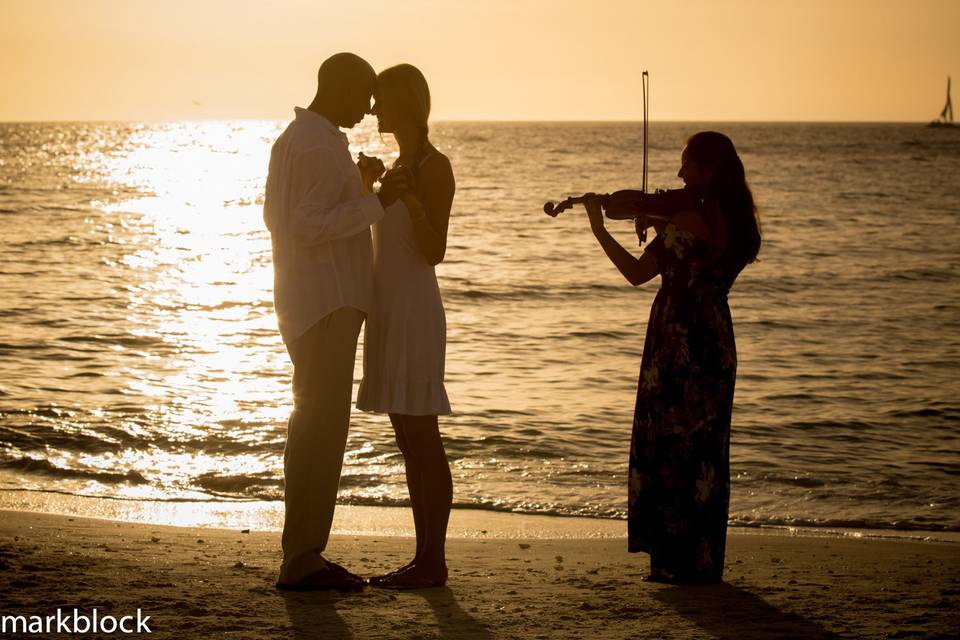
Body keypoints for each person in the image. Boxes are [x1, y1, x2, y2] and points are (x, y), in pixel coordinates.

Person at [582, 131, 761, 583]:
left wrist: (600, 228)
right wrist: (660, 219)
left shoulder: (683, 220)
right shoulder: (738, 225)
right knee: (704, 454)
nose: (679, 174)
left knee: (666, 445)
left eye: (687, 166)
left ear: (710, 170)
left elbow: (637, 273)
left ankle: (668, 561)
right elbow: (703, 252)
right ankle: (701, 561)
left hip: (675, 342)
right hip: (716, 341)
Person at [263, 52, 408, 591]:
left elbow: (280, 215)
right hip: (325, 302)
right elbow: (305, 224)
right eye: (364, 94)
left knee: (315, 427)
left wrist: (358, 183)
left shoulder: (296, 139)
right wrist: (376, 198)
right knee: (322, 430)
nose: (370, 107)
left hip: (308, 301)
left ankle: (302, 553)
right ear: (340, 87)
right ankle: (302, 559)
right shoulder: (318, 143)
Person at [356, 64, 455, 589]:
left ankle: (432, 561)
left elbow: (433, 251)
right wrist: (369, 185)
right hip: (387, 308)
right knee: (406, 437)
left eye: (381, 102)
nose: (374, 111)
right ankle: (423, 560)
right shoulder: (399, 165)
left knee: (423, 434)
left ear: (404, 105)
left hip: (415, 308)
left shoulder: (434, 167)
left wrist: (410, 199)